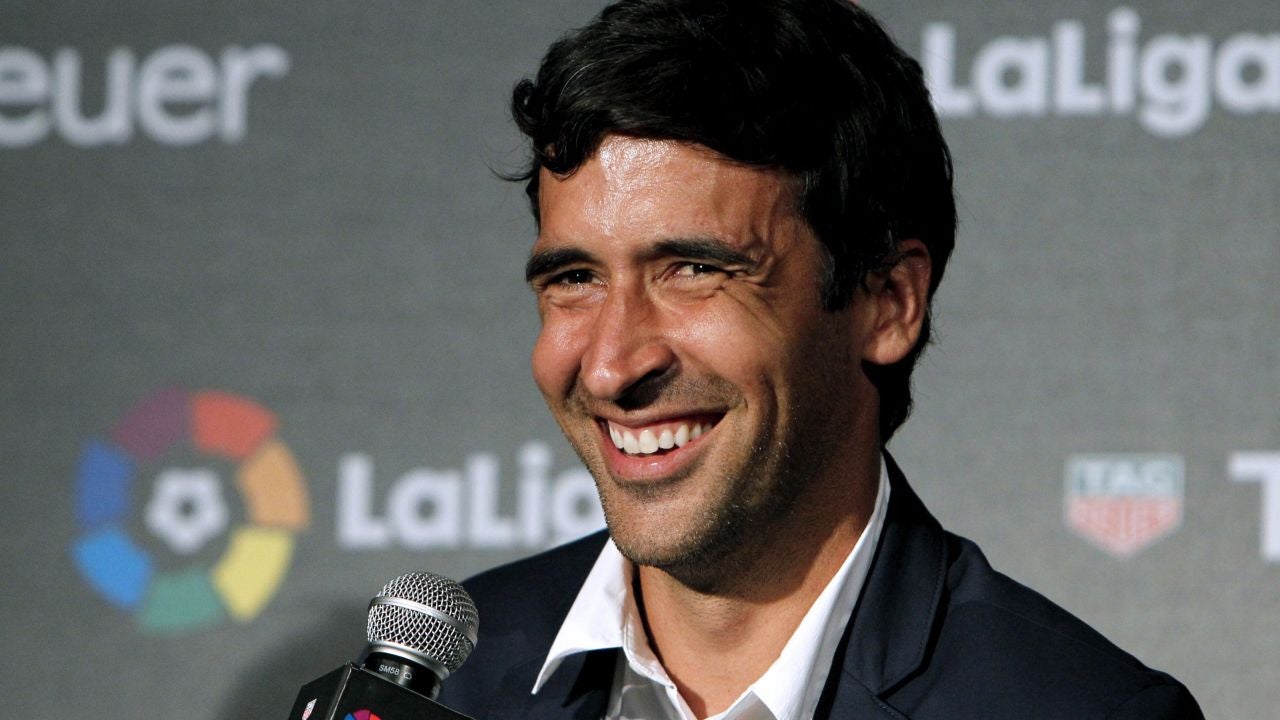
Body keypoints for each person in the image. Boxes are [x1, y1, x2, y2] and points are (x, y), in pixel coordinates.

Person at [438, 1, 1205, 718]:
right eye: (576, 279)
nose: (610, 366)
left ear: (888, 303)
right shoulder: (445, 684)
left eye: (695, 270)